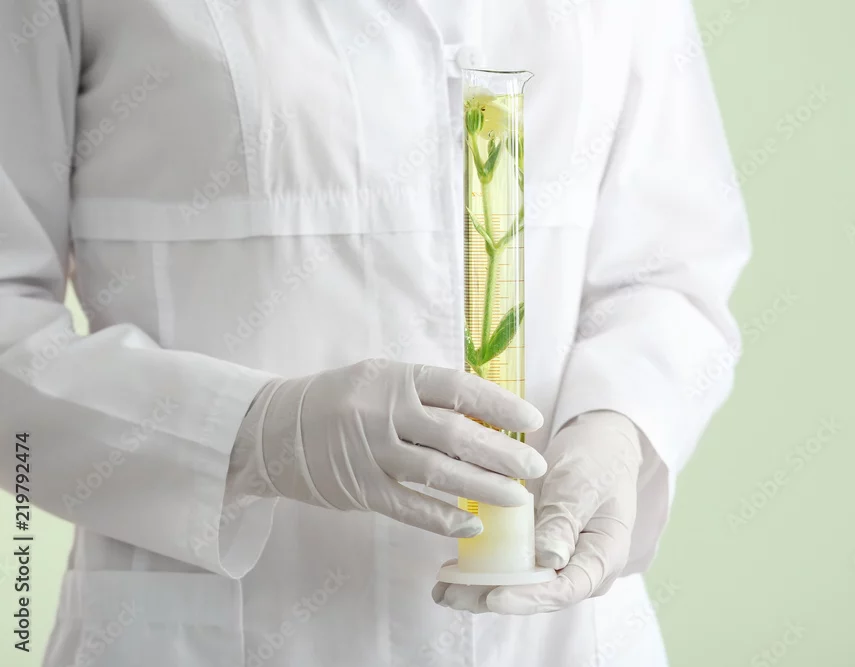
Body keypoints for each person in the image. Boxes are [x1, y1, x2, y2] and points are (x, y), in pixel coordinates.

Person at [0, 0, 750, 665]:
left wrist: (619, 425)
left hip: (553, 637)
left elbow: (671, 267)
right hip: (219, 636)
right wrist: (251, 433)